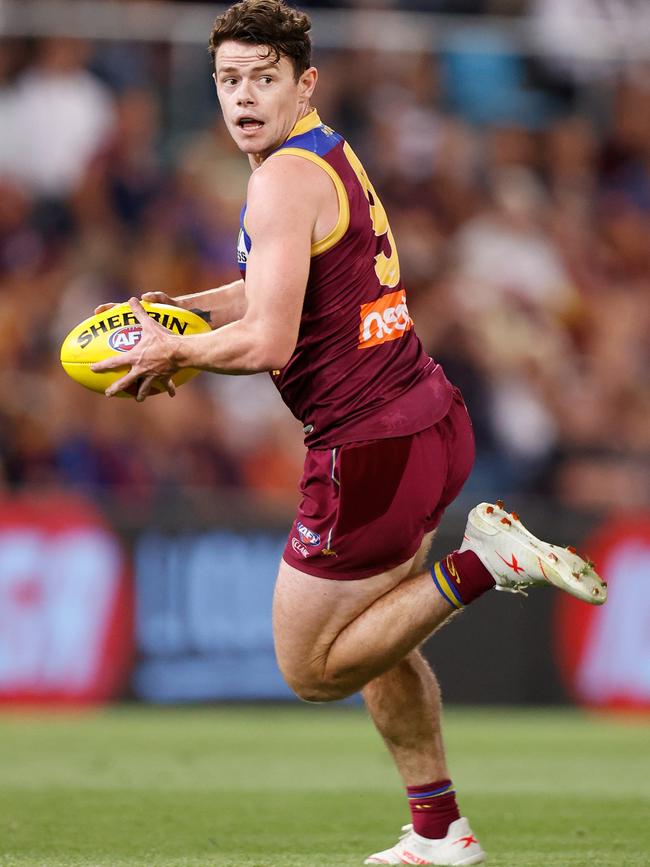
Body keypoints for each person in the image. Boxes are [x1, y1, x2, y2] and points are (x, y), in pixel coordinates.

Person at [91, 2, 607, 863]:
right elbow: (275, 293)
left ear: (305, 82)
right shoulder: (321, 153)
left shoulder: (278, 180)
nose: (243, 97)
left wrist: (174, 348)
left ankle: (484, 561)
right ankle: (441, 829)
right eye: (228, 80)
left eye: (264, 78)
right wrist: (181, 312)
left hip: (370, 445)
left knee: (312, 666)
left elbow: (267, 341)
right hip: (427, 416)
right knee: (376, 641)